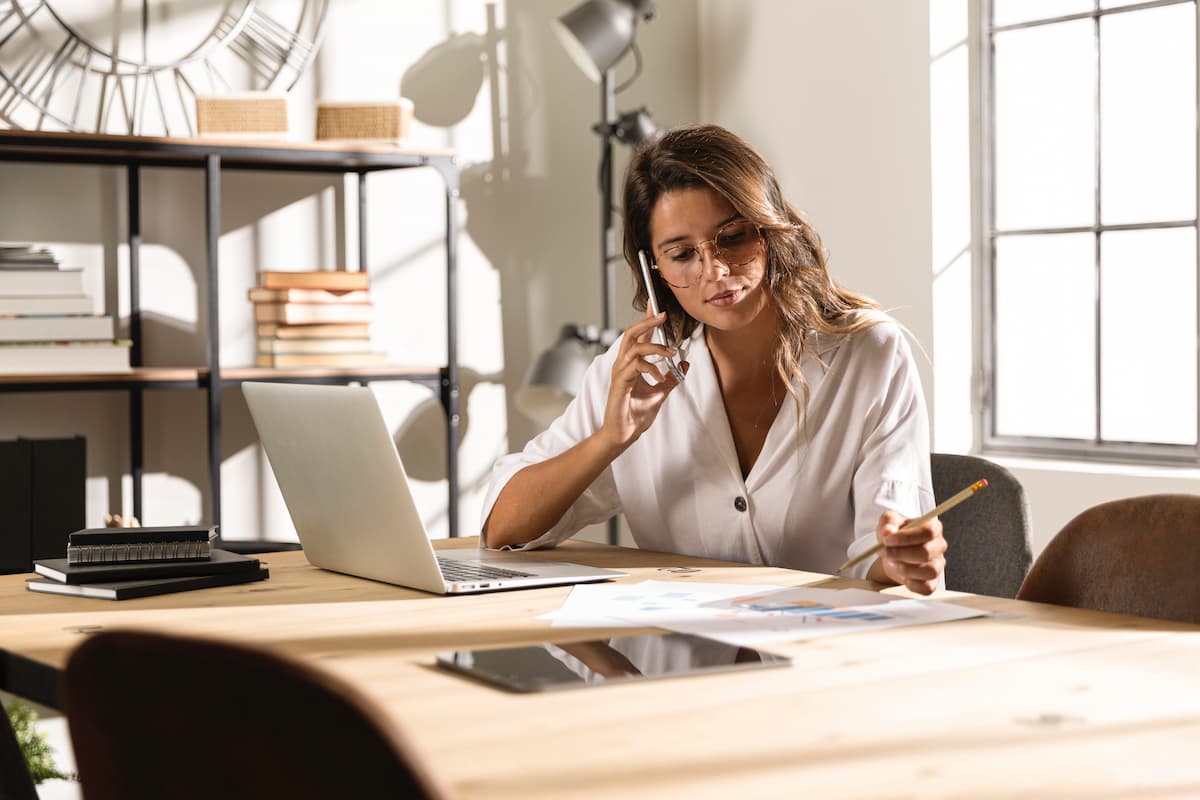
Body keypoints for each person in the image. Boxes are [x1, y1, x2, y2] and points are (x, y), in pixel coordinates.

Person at [481, 124, 945, 594]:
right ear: (654, 269)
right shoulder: (636, 372)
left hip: (826, 652)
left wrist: (902, 559)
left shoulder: (868, 355)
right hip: (678, 658)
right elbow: (502, 530)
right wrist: (610, 439)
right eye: (682, 254)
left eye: (734, 237)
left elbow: (885, 550)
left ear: (769, 230)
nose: (715, 271)